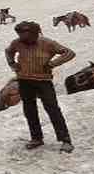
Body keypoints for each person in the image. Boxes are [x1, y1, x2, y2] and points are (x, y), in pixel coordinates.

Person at [5, 21, 76, 152]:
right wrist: (12, 63)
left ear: (34, 34)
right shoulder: (17, 43)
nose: (23, 39)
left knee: (53, 109)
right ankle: (36, 138)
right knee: (30, 110)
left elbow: (69, 53)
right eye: (20, 35)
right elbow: (8, 51)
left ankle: (65, 140)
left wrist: (53, 63)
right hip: (24, 80)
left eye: (26, 36)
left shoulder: (47, 43)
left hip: (43, 81)